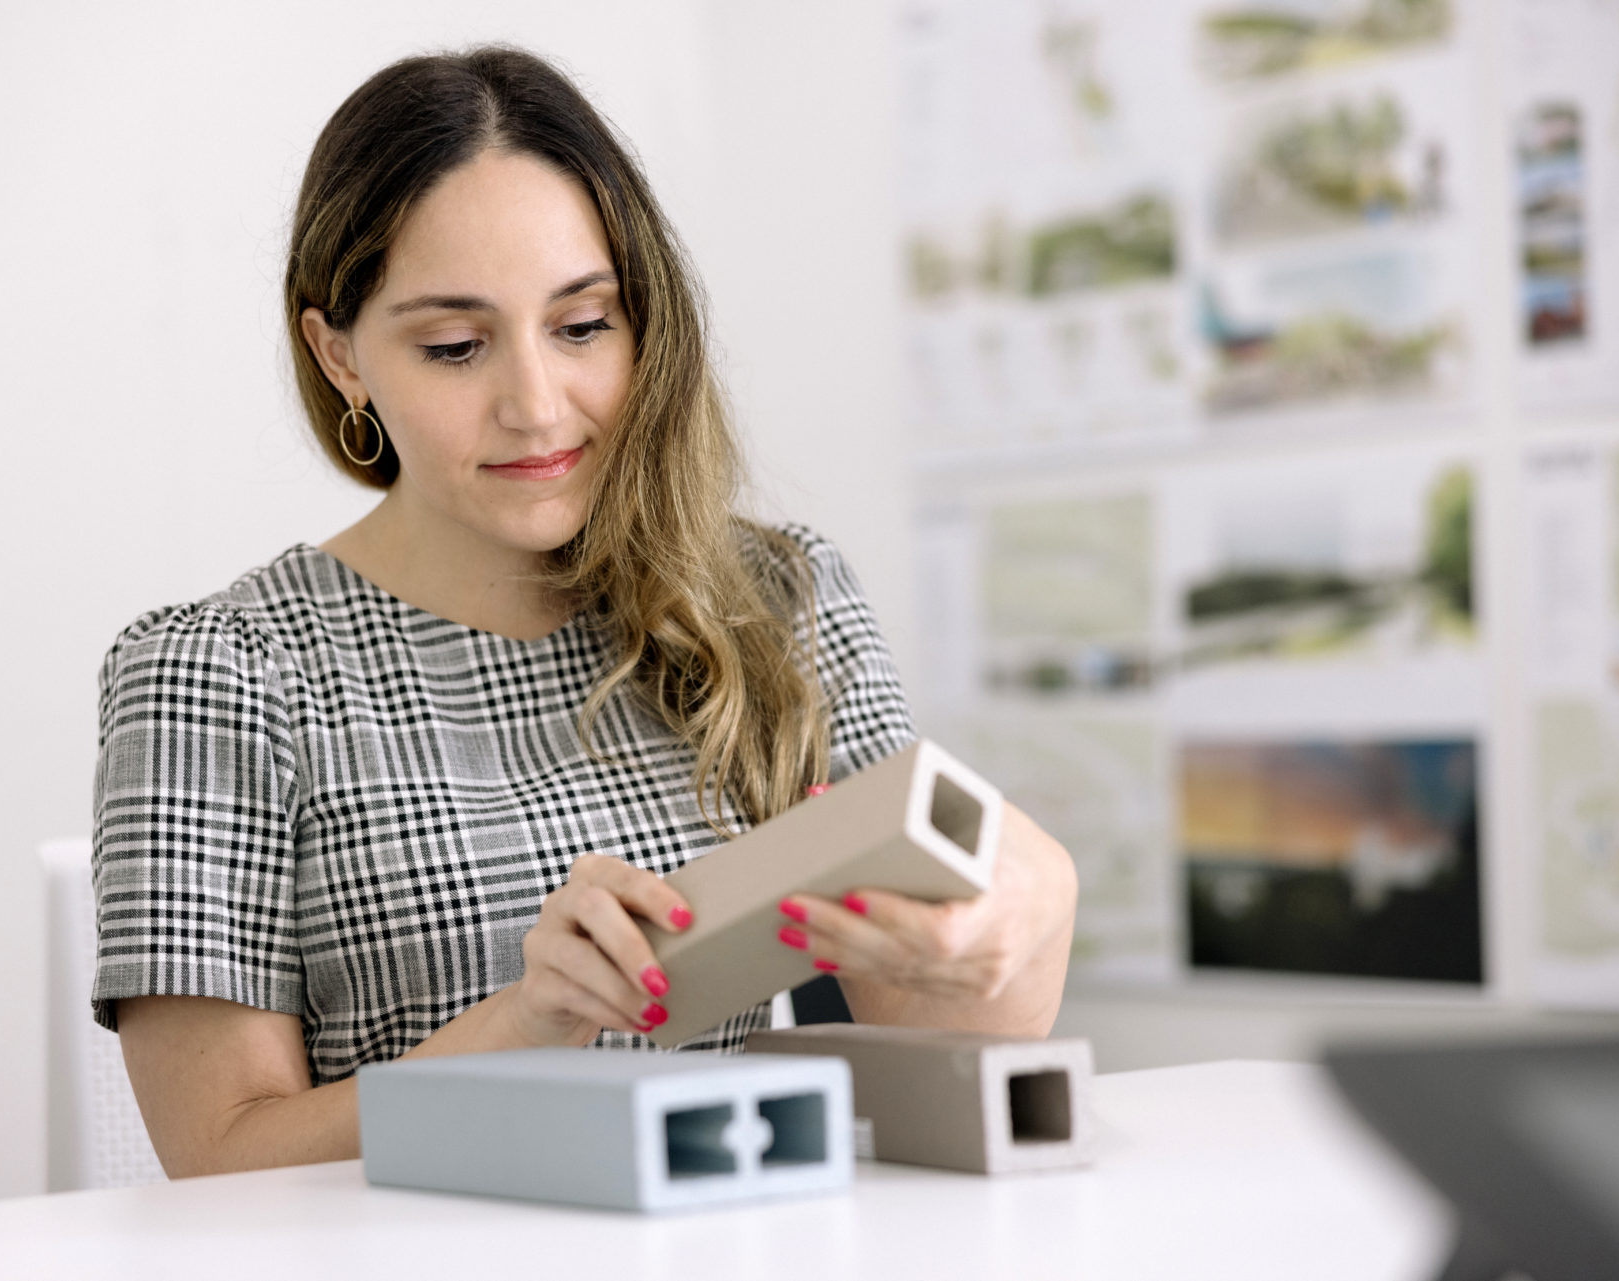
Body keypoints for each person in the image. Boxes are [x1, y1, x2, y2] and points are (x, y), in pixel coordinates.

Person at [93, 46, 1078, 1179]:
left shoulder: (779, 602)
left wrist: (1030, 918)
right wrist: (526, 1025)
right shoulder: (217, 672)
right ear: (340, 354)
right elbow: (219, 1163)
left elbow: (938, 1046)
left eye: (583, 326)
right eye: (455, 346)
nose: (536, 405)